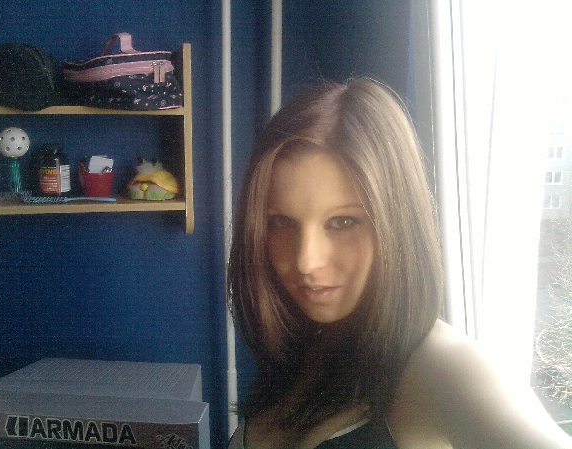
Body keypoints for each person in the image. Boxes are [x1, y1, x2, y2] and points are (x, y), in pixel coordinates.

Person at [226, 78, 572, 449]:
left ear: (398, 224)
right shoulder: (304, 347)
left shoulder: (442, 368)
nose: (305, 261)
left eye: (344, 222)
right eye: (281, 222)